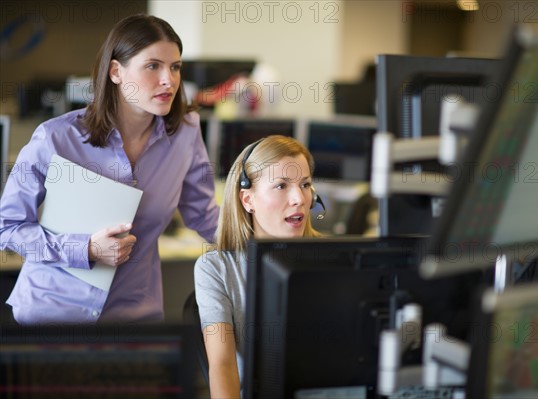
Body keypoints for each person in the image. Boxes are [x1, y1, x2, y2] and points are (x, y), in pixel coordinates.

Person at [0, 14, 219, 325]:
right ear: (116, 71)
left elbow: (204, 215)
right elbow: (7, 227)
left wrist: (268, 235)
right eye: (153, 66)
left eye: (175, 67)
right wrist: (85, 249)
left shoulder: (185, 133)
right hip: (52, 315)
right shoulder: (56, 138)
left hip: (134, 318)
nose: (168, 80)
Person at [194, 135, 321, 397]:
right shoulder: (216, 268)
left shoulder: (331, 258)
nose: (299, 198)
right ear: (247, 200)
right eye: (281, 186)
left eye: (305, 184)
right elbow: (223, 364)